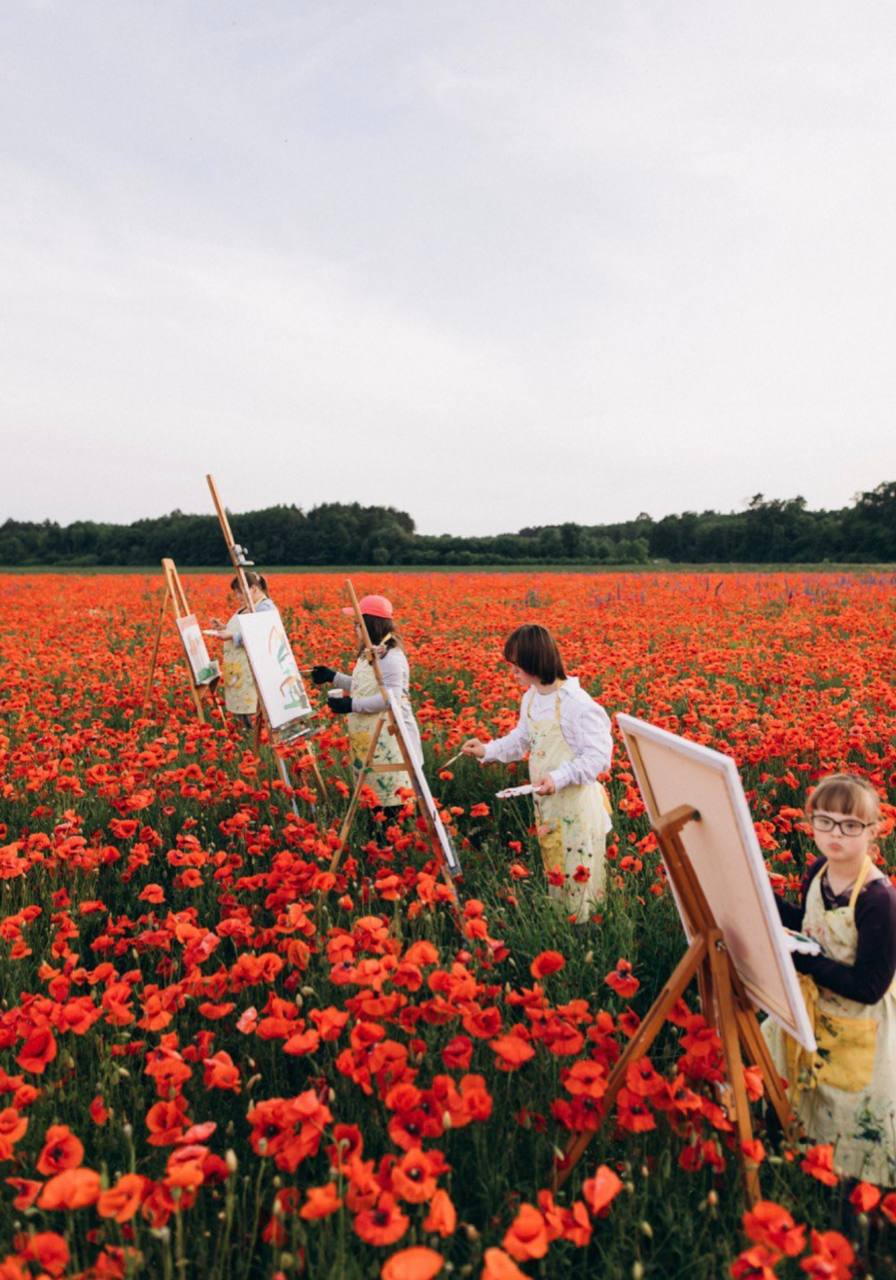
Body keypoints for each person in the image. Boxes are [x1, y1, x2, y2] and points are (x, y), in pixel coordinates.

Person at [763, 773, 896, 1185]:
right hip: (819, 1009)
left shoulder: (879, 900)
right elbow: (805, 925)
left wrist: (805, 960)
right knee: (818, 1101)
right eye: (824, 821)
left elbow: (869, 988)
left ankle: (859, 1200)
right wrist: (760, 899)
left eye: (850, 825)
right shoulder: (819, 872)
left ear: (873, 831)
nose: (835, 834)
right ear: (811, 823)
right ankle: (813, 1174)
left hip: (863, 1024)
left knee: (855, 1111)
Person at [462, 623, 612, 923]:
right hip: (547, 801)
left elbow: (599, 758)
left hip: (575, 803)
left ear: (535, 662)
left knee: (578, 869)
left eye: (517, 667)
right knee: (557, 863)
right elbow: (521, 739)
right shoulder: (531, 697)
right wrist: (487, 751)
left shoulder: (576, 704)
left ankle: (585, 931)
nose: (513, 673)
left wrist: (559, 778)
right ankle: (564, 922)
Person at [311, 594, 423, 810]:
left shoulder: (391, 656)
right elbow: (364, 685)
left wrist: (351, 705)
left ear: (370, 624)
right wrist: (332, 676)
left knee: (392, 799)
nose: (355, 629)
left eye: (357, 624)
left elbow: (389, 699)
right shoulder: (370, 653)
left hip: (391, 737)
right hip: (371, 734)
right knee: (375, 798)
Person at [207, 573, 276, 723]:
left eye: (240, 592)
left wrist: (232, 636)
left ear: (253, 588)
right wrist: (224, 628)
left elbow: (261, 636)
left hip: (251, 668)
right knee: (241, 710)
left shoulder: (265, 608)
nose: (237, 596)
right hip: (238, 667)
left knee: (252, 710)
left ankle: (252, 739)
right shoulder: (247, 607)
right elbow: (243, 629)